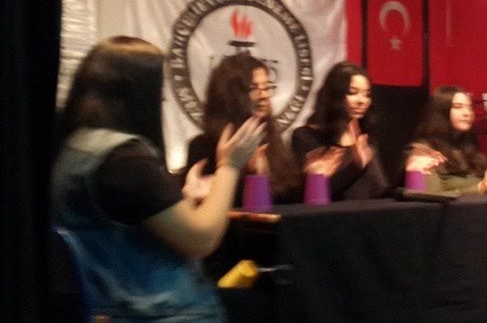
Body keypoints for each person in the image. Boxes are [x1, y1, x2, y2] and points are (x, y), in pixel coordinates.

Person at [51, 36, 264, 321]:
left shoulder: (74, 146)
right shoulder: (125, 160)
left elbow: (132, 219)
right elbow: (202, 240)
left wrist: (183, 199)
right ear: (136, 93)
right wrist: (231, 166)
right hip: (158, 311)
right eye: (159, 89)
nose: (162, 99)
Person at [185, 52, 302, 205]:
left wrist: (312, 176)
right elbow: (210, 206)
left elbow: (291, 199)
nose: (264, 95)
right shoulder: (203, 146)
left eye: (266, 87)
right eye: (254, 88)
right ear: (231, 94)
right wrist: (246, 174)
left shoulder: (271, 140)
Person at [290, 62, 389, 200]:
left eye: (367, 94)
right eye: (353, 93)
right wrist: (355, 167)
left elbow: (382, 192)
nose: (362, 101)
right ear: (335, 95)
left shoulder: (363, 139)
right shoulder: (305, 136)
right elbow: (313, 197)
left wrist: (406, 177)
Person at [405, 85, 487, 194]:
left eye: (469, 107)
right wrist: (481, 187)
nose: (467, 113)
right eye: (458, 107)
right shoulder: (424, 151)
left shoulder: (468, 146)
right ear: (441, 112)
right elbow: (430, 198)